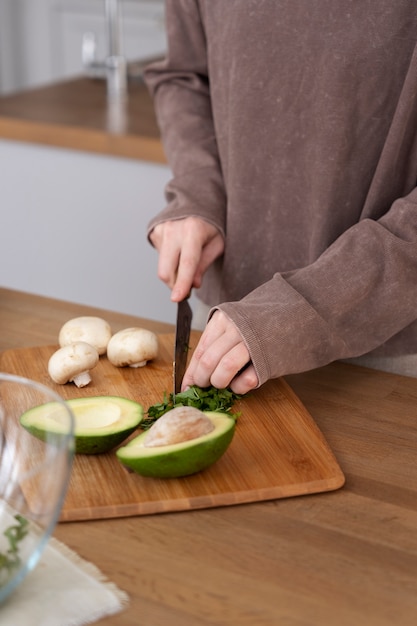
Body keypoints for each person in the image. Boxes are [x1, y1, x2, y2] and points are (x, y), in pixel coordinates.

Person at [144, 0, 417, 395]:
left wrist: (292, 313)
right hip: (225, 332)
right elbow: (185, 75)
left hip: (389, 357)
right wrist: (199, 189)